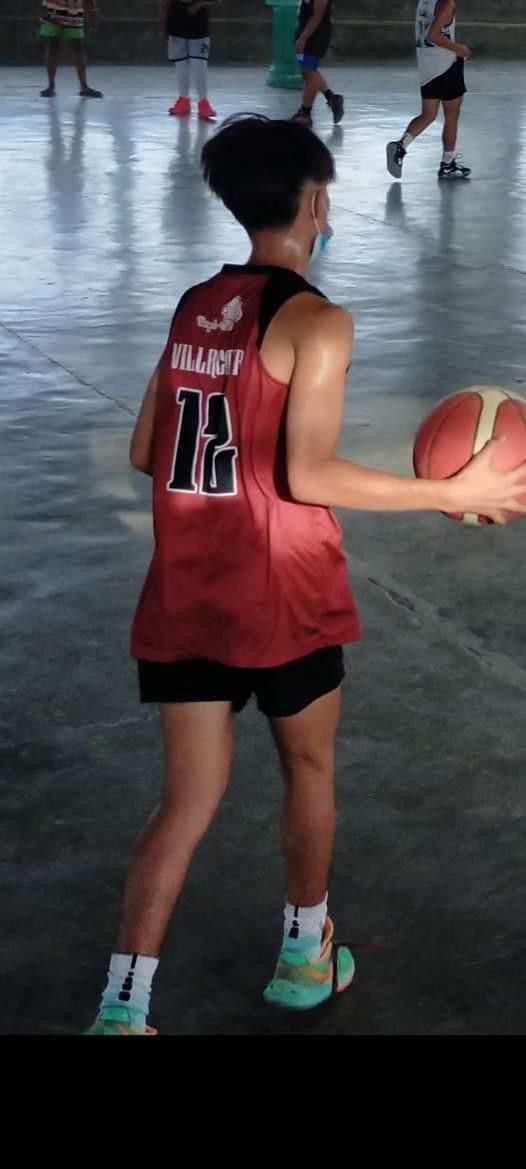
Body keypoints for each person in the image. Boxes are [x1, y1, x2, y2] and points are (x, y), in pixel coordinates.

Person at [85, 115, 526, 1036]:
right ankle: (305, 953)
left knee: (184, 802)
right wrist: (450, 489)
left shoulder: (193, 304)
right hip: (285, 591)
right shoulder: (318, 320)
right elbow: (308, 475)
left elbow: (142, 449)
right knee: (309, 767)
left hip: (188, 591)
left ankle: (122, 1010)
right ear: (317, 201)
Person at [386, 0, 470, 180]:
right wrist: (460, 49)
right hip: (446, 65)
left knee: (428, 114)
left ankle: (400, 146)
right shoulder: (447, 3)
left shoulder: (424, 2)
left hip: (427, 66)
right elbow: (434, 35)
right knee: (451, 117)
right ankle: (448, 164)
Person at [161, 0, 219, 121]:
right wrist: (164, 22)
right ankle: (183, 99)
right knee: (180, 63)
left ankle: (203, 101)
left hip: (199, 25)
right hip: (176, 22)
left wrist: (199, 4)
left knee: (199, 64)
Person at [293, 0, 344, 128]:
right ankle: (332, 99)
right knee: (308, 72)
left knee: (309, 72)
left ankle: (305, 112)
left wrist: (303, 38)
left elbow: (317, 16)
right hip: (305, 30)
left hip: (315, 36)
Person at [40, 1, 103, 99]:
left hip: (74, 12)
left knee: (77, 47)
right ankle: (51, 86)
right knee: (53, 47)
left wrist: (93, 11)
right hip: (52, 11)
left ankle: (84, 86)